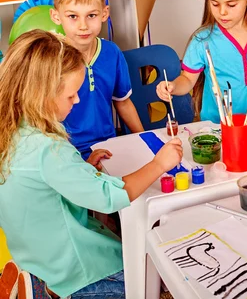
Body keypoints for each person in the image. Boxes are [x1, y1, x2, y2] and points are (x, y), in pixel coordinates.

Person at [0, 30, 183, 298]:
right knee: (154, 282)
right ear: (41, 95)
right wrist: (159, 164)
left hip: (35, 257)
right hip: (76, 270)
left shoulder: (13, 132)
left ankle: (36, 285)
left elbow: (43, 187)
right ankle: (45, 293)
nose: (77, 100)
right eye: (71, 95)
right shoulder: (48, 149)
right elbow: (110, 196)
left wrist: (82, 168)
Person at [49, 0, 143, 160]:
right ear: (56, 16)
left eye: (91, 15)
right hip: (66, 154)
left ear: (104, 13)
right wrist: (74, 161)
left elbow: (122, 102)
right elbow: (44, 120)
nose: (83, 25)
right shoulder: (51, 60)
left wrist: (144, 137)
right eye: (73, 16)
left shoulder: (112, 53)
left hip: (109, 147)